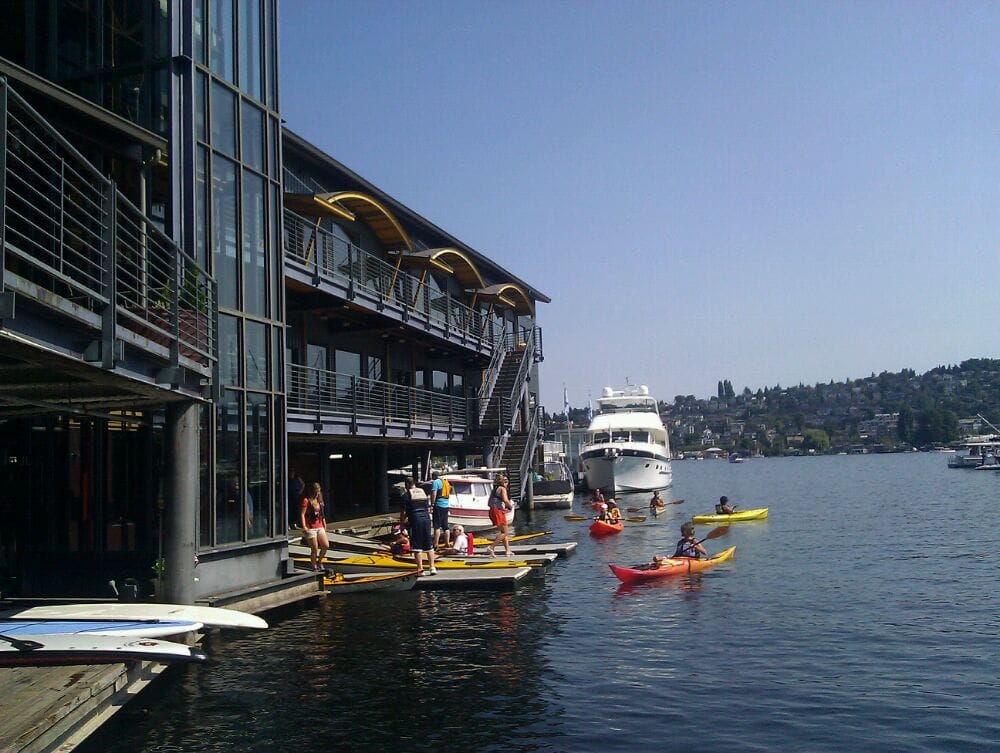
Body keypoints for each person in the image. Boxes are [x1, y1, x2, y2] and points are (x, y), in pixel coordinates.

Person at [399, 477, 436, 575]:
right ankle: (432, 567)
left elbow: (403, 512)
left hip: (416, 520)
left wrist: (402, 525)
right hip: (427, 520)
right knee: (429, 545)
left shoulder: (406, 495)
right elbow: (427, 507)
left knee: (417, 546)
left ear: (407, 484)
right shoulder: (422, 492)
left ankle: (420, 570)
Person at [300, 482, 329, 573]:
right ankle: (314, 566)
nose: (318, 494)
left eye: (319, 492)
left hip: (319, 525)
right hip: (311, 527)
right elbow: (302, 514)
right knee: (314, 548)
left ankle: (320, 561)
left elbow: (322, 514)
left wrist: (324, 523)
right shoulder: (306, 500)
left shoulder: (320, 501)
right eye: (316, 492)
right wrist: (304, 526)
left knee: (325, 545)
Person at [486, 475, 513, 558]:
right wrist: (510, 506)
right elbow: (505, 500)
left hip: (492, 511)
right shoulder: (502, 489)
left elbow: (488, 503)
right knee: (505, 532)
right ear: (503, 482)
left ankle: (508, 550)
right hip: (498, 511)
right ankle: (491, 547)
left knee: (503, 532)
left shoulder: (494, 490)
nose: (507, 484)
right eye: (506, 482)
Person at [430, 471, 451, 550]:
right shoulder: (445, 482)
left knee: (437, 526)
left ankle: (436, 544)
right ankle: (447, 543)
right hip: (446, 505)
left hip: (438, 505)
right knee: (445, 526)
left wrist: (432, 504)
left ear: (434, 476)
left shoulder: (435, 482)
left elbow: (434, 493)